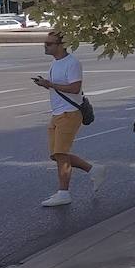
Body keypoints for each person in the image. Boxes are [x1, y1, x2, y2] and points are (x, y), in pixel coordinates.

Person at [33, 31, 102, 206]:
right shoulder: (55, 63)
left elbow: (74, 88)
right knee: (56, 154)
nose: (45, 46)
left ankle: (64, 193)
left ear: (61, 45)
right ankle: (94, 170)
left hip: (69, 113)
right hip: (57, 113)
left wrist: (50, 84)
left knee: (61, 154)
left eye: (49, 43)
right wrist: (45, 84)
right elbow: (59, 88)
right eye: (45, 43)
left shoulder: (72, 63)